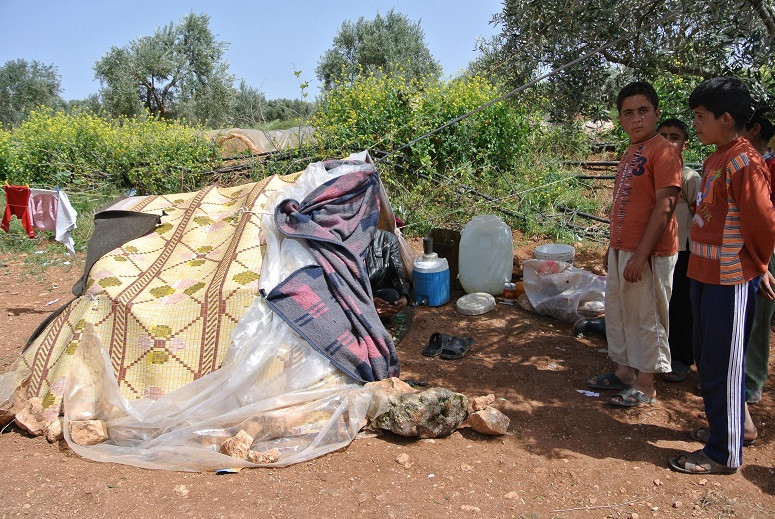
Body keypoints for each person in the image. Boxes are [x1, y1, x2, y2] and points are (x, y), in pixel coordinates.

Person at [668, 77, 775, 475]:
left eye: (700, 116)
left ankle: (725, 453)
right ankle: (723, 431)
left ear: (726, 118)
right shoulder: (717, 157)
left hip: (729, 280)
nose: (695, 123)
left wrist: (760, 266)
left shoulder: (745, 162)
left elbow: (762, 224)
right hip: (702, 272)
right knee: (708, 359)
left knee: (724, 363)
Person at [587, 81, 682, 407]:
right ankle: (626, 372)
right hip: (623, 247)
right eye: (628, 113)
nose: (636, 119)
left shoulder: (664, 151)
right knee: (621, 311)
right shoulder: (630, 151)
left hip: (650, 251)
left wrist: (641, 255)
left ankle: (646, 384)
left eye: (643, 111)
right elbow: (623, 204)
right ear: (620, 118)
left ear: (656, 113)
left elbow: (665, 206)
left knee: (648, 316)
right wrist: (612, 247)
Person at [656, 119, 702, 382]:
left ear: (685, 144)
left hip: (684, 250)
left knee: (682, 304)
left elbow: (700, 214)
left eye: (674, 137)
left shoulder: (689, 177)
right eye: (663, 136)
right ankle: (660, 352)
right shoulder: (654, 172)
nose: (668, 142)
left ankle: (682, 358)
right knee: (662, 301)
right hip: (659, 247)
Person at [741, 109, 775, 404]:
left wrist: (763, 263)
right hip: (746, 248)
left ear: (754, 130)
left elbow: (765, 219)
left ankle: (751, 381)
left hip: (765, 249)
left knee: (758, 317)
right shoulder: (745, 162)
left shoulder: (768, 166)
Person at [365, 228, 410, 320]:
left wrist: (404, 297)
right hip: (358, 294)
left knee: (392, 297)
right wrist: (369, 302)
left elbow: (397, 271)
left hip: (380, 291)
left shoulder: (388, 239)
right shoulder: (348, 241)